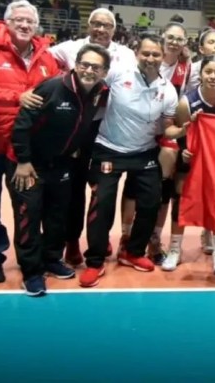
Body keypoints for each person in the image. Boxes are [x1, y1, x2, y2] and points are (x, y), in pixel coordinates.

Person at [78, 33, 184, 288]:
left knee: (151, 201)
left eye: (155, 54)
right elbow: (90, 86)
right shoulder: (117, 74)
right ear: (137, 54)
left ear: (162, 57)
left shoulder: (167, 90)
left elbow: (167, 127)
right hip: (108, 149)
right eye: (145, 53)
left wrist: (182, 131)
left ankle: (133, 252)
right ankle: (95, 261)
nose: (150, 58)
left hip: (144, 152)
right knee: (101, 204)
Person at [0, 0, 60, 284]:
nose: (24, 25)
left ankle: (30, 259)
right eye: (18, 20)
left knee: (28, 208)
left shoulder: (47, 58)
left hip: (24, 149)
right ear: (7, 23)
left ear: (36, 26)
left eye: (29, 21)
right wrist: (16, 97)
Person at [7, 44, 110, 296]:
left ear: (104, 71)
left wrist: (72, 148)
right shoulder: (52, 87)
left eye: (96, 67)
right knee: (28, 217)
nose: (89, 70)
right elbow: (21, 125)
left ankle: (52, 259)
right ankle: (31, 272)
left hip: (61, 164)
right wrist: (22, 161)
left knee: (57, 217)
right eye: (85, 64)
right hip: (29, 165)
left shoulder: (98, 92)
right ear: (76, 64)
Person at [45, 7, 136, 266]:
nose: (100, 29)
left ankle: (100, 236)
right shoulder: (69, 48)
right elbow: (40, 54)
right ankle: (71, 241)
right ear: (88, 25)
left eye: (106, 25)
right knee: (72, 190)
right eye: (96, 24)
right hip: (74, 130)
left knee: (102, 190)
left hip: (105, 131)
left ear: (114, 30)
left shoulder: (126, 55)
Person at [162, 55, 215, 274]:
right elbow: (178, 132)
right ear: (201, 73)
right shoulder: (187, 101)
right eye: (208, 72)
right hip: (192, 159)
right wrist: (185, 149)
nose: (213, 77)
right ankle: (175, 249)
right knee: (181, 200)